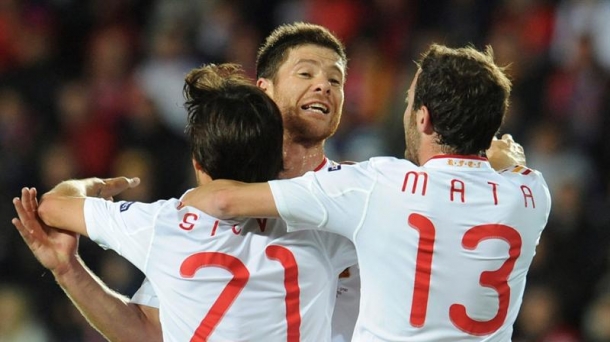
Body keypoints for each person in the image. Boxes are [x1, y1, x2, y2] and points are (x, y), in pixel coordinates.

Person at [10, 22, 361, 342]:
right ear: (263, 90)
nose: (323, 85)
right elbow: (149, 332)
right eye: (305, 72)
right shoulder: (189, 217)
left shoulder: (358, 195)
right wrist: (68, 270)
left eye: (336, 80)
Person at [178, 43, 552, 341]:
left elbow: (222, 200)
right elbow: (503, 166)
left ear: (424, 118)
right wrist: (503, 159)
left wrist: (180, 204)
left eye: (408, 102)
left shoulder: (376, 185)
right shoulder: (531, 192)